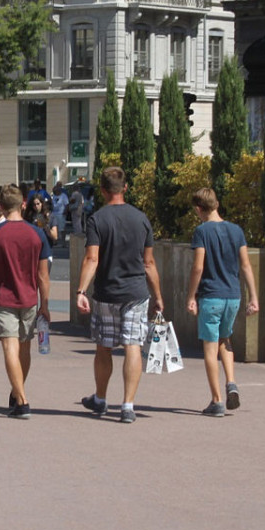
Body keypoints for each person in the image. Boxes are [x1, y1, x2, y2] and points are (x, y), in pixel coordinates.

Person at [75, 167, 163, 424]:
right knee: (132, 345)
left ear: (103, 190)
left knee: (104, 346)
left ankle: (101, 398)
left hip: (106, 293)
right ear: (125, 188)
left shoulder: (97, 219)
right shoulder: (141, 219)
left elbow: (92, 258)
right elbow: (149, 263)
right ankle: (127, 405)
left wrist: (81, 290)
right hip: (136, 293)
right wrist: (158, 295)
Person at [0, 185, 51, 419]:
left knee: (10, 347)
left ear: (1, 206)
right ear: (23, 205)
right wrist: (44, 304)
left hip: (3, 297)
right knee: (24, 348)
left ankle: (22, 400)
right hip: (29, 298)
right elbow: (43, 275)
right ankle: (17, 393)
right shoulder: (37, 234)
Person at [185, 188, 260, 417]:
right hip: (233, 296)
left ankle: (216, 400)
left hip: (211, 295)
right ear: (217, 204)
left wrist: (191, 296)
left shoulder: (201, 231)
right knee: (225, 340)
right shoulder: (236, 230)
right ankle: (231, 382)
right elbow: (245, 265)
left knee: (210, 348)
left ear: (199, 209)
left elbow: (198, 267)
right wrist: (254, 297)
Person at [50, 182, 69, 246]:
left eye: (55, 191)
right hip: (54, 214)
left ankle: (63, 242)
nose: (54, 193)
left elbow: (67, 204)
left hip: (61, 214)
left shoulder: (63, 196)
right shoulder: (54, 196)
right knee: (55, 228)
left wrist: (65, 211)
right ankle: (55, 241)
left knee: (62, 229)